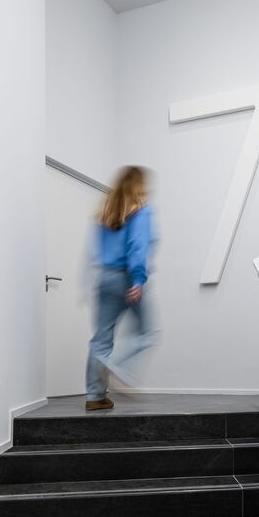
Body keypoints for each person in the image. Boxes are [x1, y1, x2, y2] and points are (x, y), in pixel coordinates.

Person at [85, 165, 157, 411]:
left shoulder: (105, 214)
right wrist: (138, 280)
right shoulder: (142, 211)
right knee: (147, 334)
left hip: (105, 277)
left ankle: (95, 397)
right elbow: (137, 246)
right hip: (127, 277)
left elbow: (92, 251)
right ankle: (113, 365)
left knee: (100, 339)